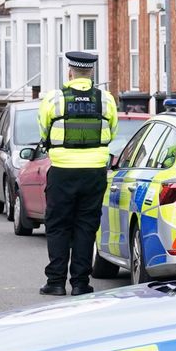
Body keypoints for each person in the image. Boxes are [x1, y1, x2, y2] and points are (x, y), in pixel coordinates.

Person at [37, 49, 118, 296]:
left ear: (70, 72)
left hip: (62, 171)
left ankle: (55, 282)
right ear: (91, 72)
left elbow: (44, 130)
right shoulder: (106, 100)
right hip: (94, 172)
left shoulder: (54, 99)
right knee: (86, 225)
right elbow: (112, 131)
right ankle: (81, 283)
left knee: (58, 225)